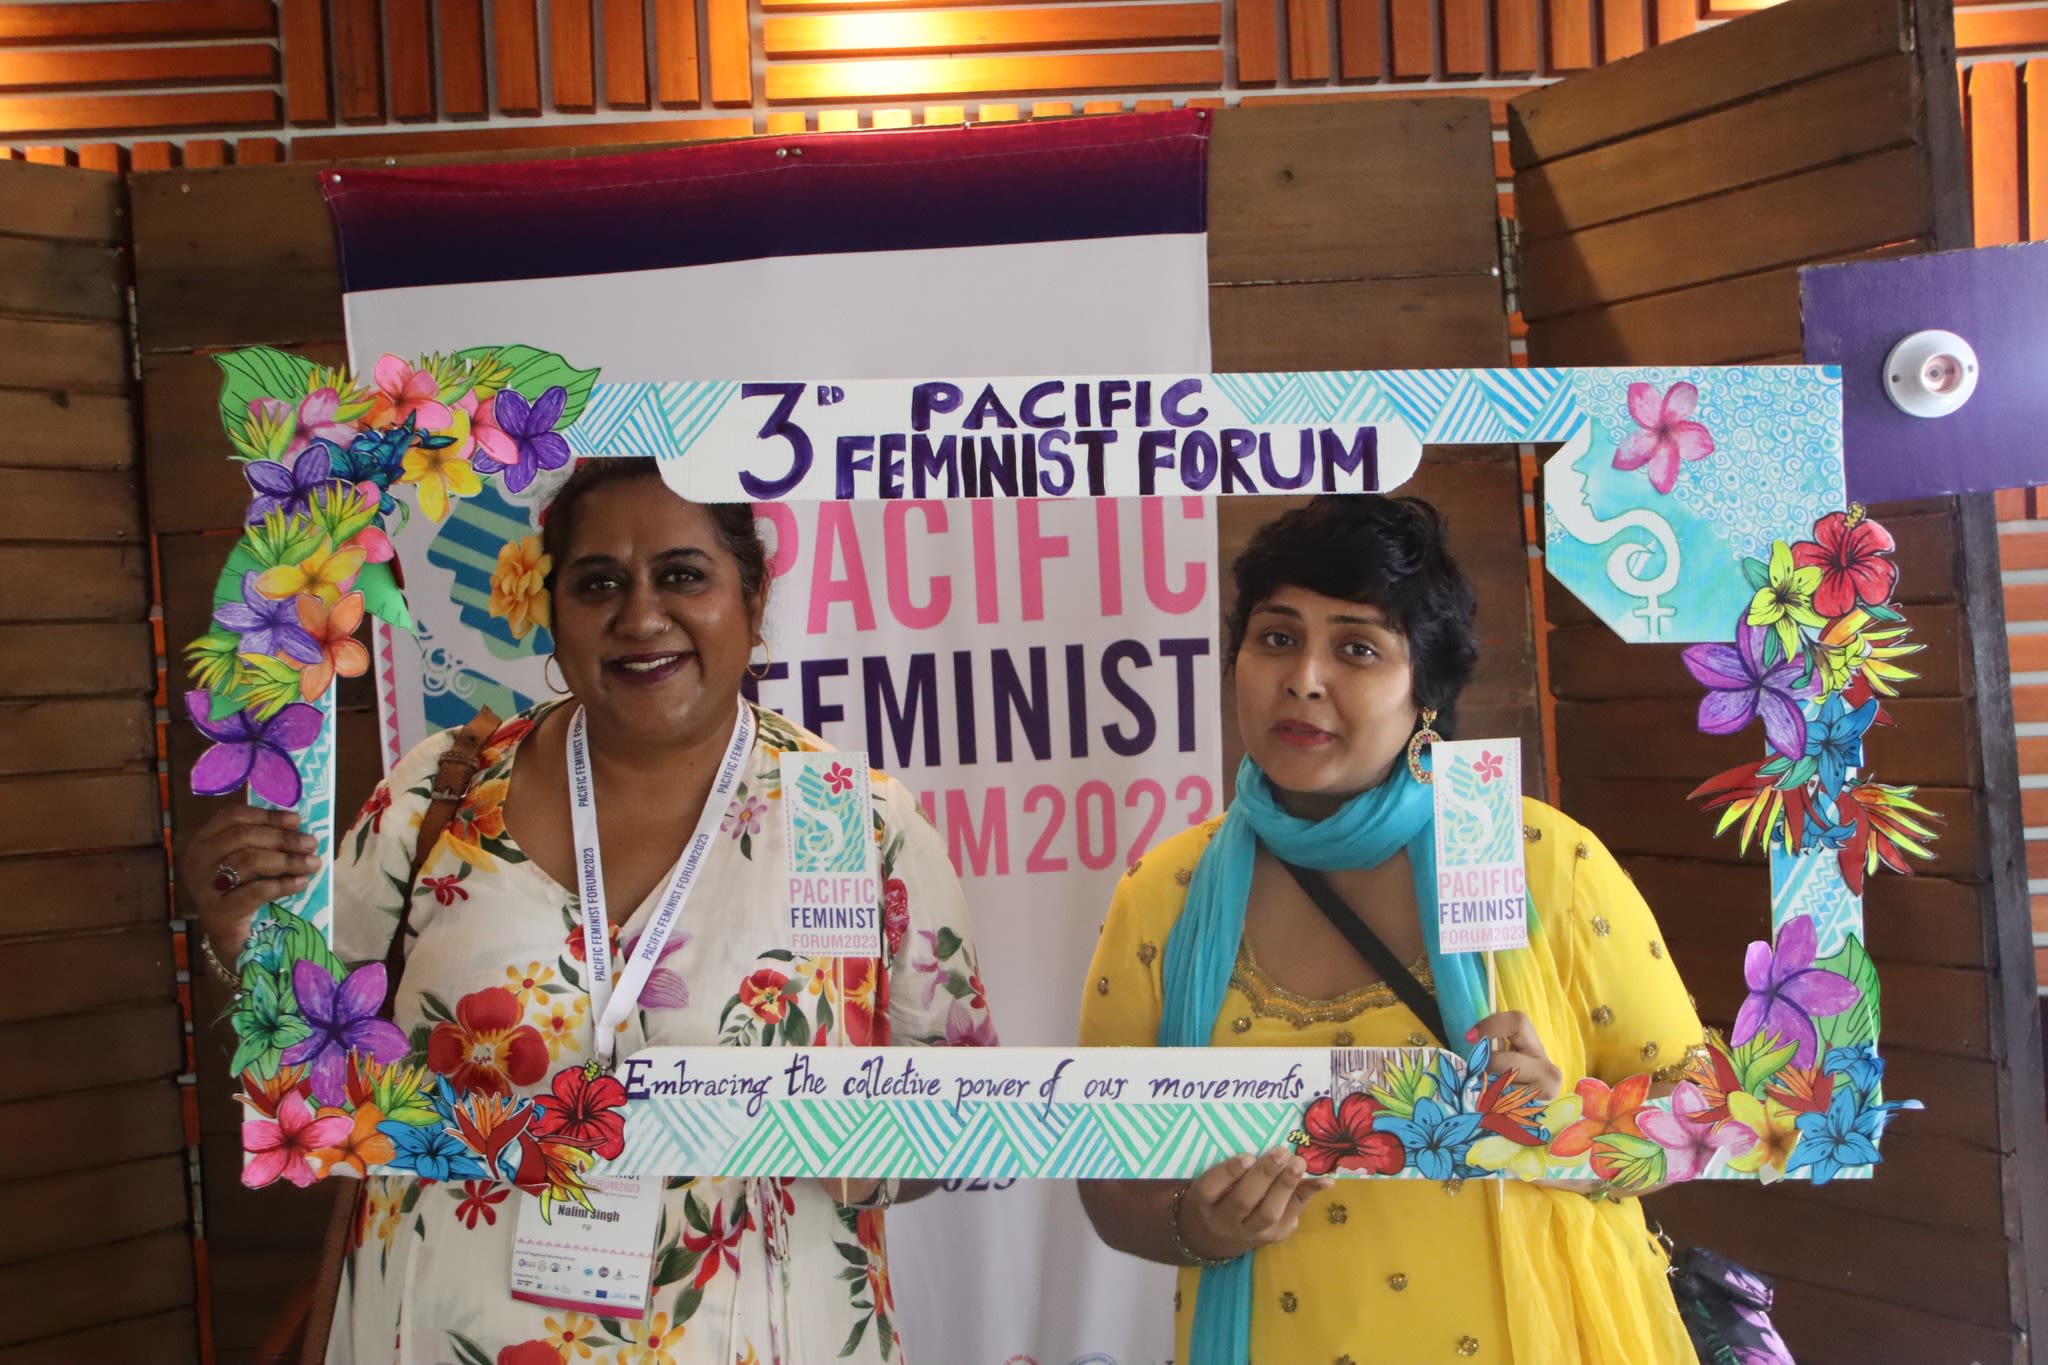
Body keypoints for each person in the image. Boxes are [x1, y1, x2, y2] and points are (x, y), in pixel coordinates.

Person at [182, 457, 997, 1365]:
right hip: (442, 1334)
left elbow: (957, 1123)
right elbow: (305, 1076)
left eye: (682, 575)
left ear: (753, 597)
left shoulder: (853, 820)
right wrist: (241, 941)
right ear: (552, 609)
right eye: (599, 582)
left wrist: (832, 1134)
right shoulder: (440, 795)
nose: (641, 615)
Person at [1077, 495, 1706, 1365]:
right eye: (1276, 637)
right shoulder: (1168, 894)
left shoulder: (1539, 861)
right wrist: (1199, 1225)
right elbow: (1108, 1182)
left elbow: (1702, 1114)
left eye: (1358, 648)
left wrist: (1567, 1123)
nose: (1304, 677)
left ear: (1427, 693)